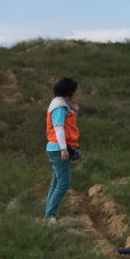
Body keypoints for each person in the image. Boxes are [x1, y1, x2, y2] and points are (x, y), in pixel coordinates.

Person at [43, 77, 80, 221]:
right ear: (69, 92)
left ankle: (49, 213)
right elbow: (59, 128)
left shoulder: (58, 103)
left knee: (56, 182)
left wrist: (74, 108)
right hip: (58, 148)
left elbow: (66, 122)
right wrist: (64, 149)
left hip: (55, 147)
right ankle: (49, 215)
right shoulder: (59, 106)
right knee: (64, 183)